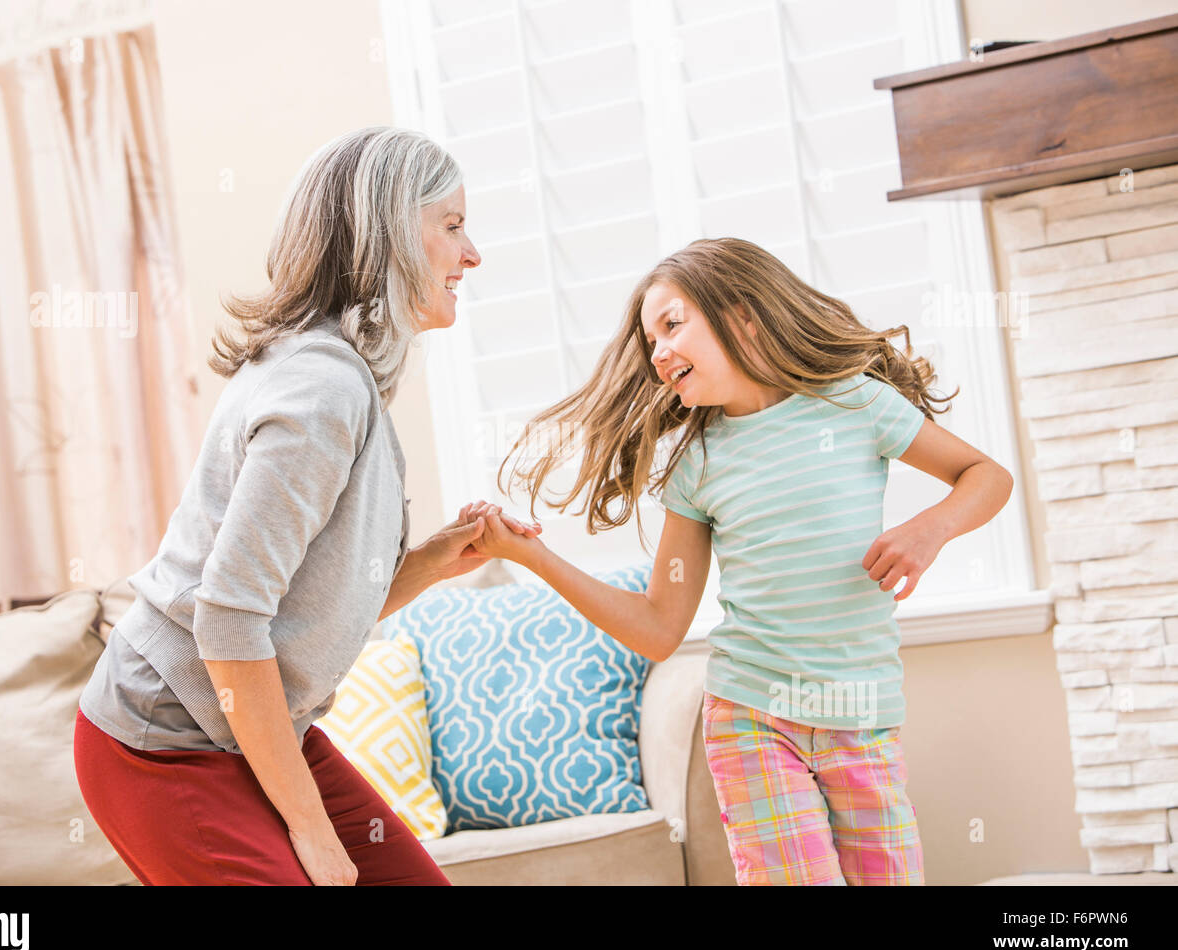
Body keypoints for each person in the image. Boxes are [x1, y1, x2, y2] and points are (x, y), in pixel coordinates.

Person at [461, 237, 1014, 885]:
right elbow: (659, 626)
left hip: (863, 715)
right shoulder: (696, 463)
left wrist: (930, 529)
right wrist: (532, 556)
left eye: (672, 325)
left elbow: (985, 475)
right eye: (650, 343)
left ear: (744, 314)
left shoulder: (856, 405)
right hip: (752, 717)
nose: (660, 352)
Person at [73, 125, 539, 886]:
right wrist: (313, 831)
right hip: (166, 739)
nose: (472, 253)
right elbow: (227, 618)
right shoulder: (321, 390)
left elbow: (298, 602)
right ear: (386, 237)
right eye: (452, 227)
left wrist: (430, 562)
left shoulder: (338, 374)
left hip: (243, 725)